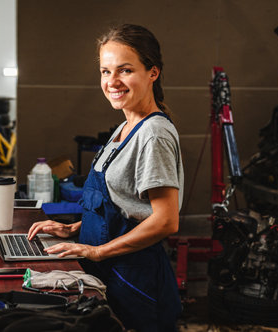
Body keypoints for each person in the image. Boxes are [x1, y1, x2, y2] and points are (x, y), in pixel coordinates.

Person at [28, 23, 183, 332]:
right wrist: (74, 228)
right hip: (111, 271)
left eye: (124, 70)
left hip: (134, 279)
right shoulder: (124, 128)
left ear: (153, 72)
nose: (112, 82)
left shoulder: (153, 134)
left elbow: (166, 221)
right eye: (105, 71)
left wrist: (96, 251)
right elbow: (125, 208)